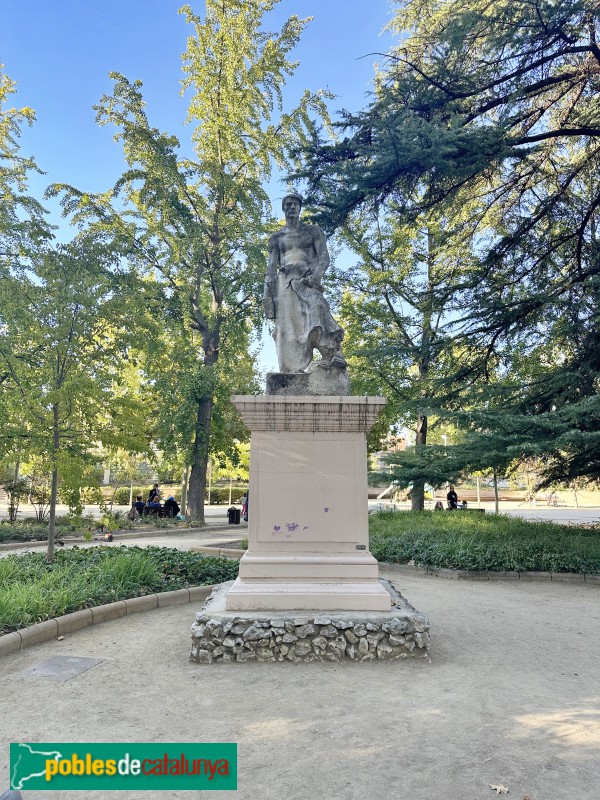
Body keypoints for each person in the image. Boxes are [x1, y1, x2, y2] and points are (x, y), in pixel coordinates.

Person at [263, 193, 347, 373]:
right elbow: (271, 268)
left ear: (300, 208)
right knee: (287, 328)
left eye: (295, 204)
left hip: (307, 281)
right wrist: (268, 296)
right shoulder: (276, 238)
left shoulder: (312, 231)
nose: (292, 207)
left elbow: (324, 258)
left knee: (318, 309)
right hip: (285, 284)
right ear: (284, 209)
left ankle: (331, 353)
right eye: (288, 204)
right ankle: (290, 369)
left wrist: (315, 278)